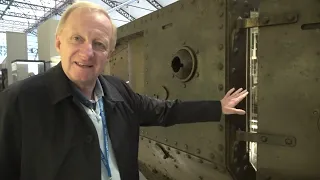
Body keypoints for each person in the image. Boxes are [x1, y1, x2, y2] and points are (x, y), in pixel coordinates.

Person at [0, 1, 248, 180]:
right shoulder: (20, 101)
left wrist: (218, 107)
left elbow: (164, 111)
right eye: (77, 39)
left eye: (99, 44)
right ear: (59, 42)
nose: (87, 52)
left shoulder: (117, 91)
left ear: (109, 53)